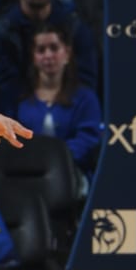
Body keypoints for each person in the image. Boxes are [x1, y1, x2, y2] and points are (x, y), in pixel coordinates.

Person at [15, 25, 98, 169]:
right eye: (41, 50)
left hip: (73, 171)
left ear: (67, 53)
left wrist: (56, 158)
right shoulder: (21, 100)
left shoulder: (86, 98)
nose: (48, 55)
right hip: (27, 171)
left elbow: (88, 139)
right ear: (34, 57)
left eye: (54, 48)